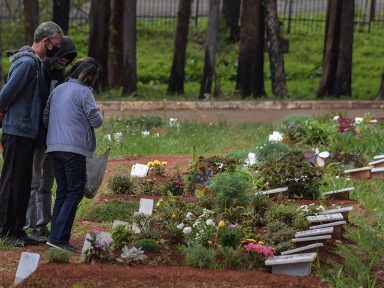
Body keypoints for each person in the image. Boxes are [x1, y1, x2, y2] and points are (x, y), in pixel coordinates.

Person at [0, 21, 63, 246]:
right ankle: (5, 231)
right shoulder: (27, 64)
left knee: (24, 182)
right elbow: (6, 95)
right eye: (54, 45)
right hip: (16, 131)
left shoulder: (36, 64)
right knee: (12, 181)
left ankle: (18, 229)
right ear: (45, 42)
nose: (56, 50)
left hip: (26, 132)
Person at [44, 57, 103, 251]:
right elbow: (96, 121)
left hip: (53, 146)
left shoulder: (58, 89)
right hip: (74, 148)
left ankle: (55, 236)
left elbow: (46, 117)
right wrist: (99, 111)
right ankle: (58, 238)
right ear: (89, 76)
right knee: (75, 191)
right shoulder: (85, 92)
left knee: (62, 191)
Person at [26, 36, 77, 241]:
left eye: (68, 58)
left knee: (47, 183)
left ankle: (43, 225)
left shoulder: (63, 77)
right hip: (37, 134)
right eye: (62, 56)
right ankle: (32, 224)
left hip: (54, 138)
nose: (64, 61)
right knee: (34, 182)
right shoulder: (39, 71)